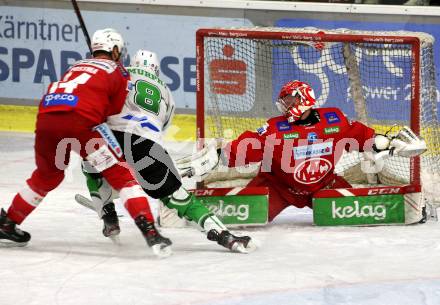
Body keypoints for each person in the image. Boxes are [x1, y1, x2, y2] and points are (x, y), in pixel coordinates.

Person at [0, 29, 171, 256]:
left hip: (47, 117)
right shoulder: (118, 71)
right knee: (121, 176)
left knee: (47, 175)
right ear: (116, 50)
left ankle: (7, 223)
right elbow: (112, 112)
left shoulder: (75, 66)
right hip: (81, 122)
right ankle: (150, 231)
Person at [80, 49, 255, 253]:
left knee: (90, 161)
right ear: (156, 70)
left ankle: (107, 212)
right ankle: (225, 235)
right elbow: (161, 127)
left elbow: (102, 105)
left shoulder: (121, 72)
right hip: (149, 146)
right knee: (178, 197)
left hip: (115, 137)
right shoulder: (166, 92)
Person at [218, 80, 424, 222]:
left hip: (323, 185)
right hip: (277, 187)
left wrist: (388, 143)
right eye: (284, 102)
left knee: (362, 214)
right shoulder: (274, 127)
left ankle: (412, 210)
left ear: (303, 99)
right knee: (237, 218)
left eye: (289, 101)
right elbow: (248, 146)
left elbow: (362, 137)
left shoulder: (333, 120)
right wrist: (219, 156)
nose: (284, 106)